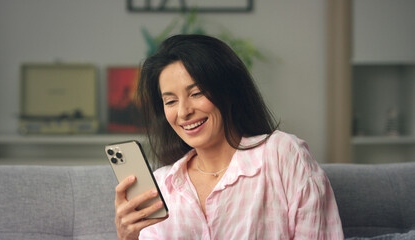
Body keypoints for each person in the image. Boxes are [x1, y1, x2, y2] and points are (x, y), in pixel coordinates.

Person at [114, 34, 344, 239]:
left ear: (229, 91)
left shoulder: (281, 154)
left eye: (196, 93)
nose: (183, 112)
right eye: (171, 101)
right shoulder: (162, 185)